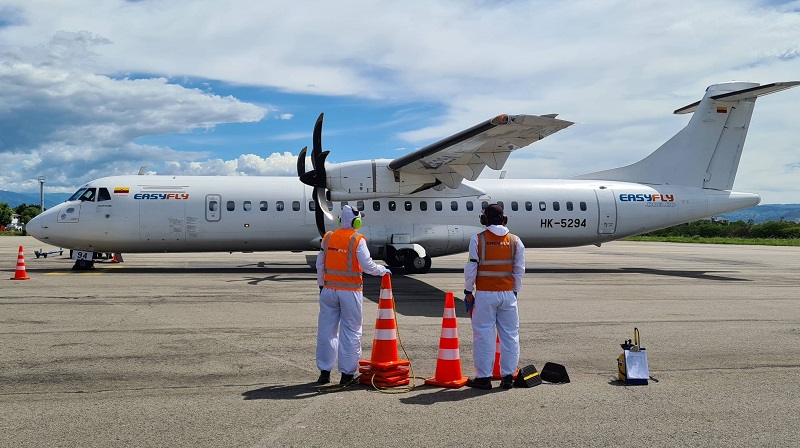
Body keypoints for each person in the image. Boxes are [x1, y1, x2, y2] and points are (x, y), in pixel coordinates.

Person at [316, 205, 390, 385]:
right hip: (350, 292)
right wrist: (383, 271)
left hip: (328, 290)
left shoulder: (328, 237)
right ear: (356, 221)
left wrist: (321, 285)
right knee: (351, 331)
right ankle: (346, 375)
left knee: (326, 332)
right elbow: (367, 266)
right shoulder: (357, 239)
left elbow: (320, 263)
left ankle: (324, 372)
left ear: (341, 220)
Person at [464, 203, 525, 390]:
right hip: (508, 295)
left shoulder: (478, 240)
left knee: (483, 335)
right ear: (504, 219)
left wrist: (468, 291)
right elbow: (519, 270)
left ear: (485, 220)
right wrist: (515, 291)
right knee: (510, 336)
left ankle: (484, 378)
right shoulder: (515, 241)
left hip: (485, 295)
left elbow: (471, 268)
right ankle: (508, 377)